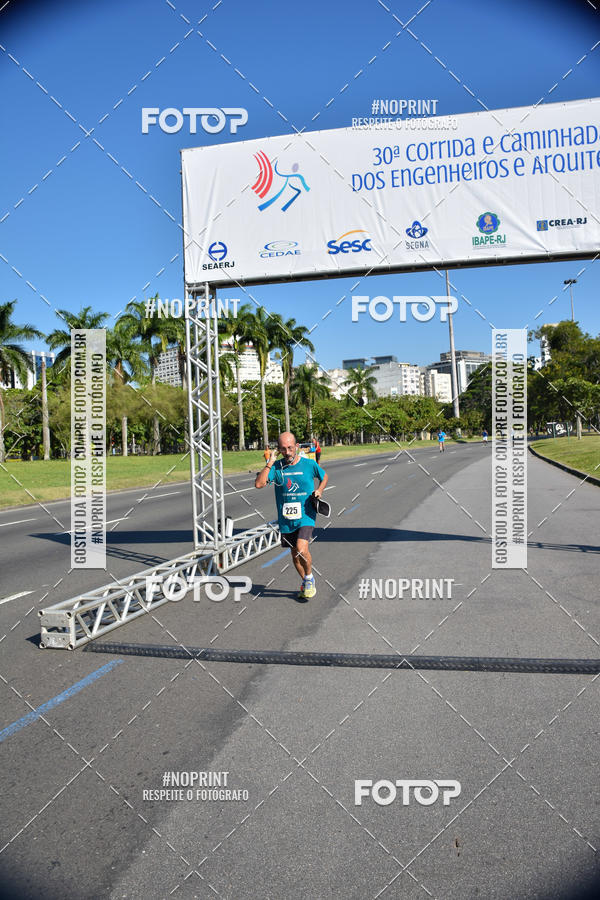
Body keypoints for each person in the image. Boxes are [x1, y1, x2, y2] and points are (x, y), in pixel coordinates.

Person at [255, 431, 328, 600]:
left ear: (296, 447)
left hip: (306, 514)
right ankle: (305, 582)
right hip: (286, 519)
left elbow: (324, 477)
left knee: (302, 549)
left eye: (290, 448)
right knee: (295, 556)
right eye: (283, 449)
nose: (287, 452)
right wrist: (270, 463)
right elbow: (259, 484)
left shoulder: (309, 465)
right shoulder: (277, 466)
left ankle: (309, 578)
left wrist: (319, 490)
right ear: (278, 450)